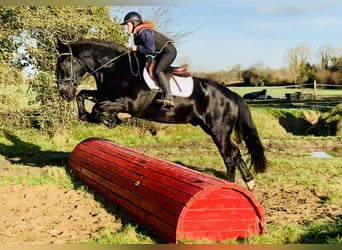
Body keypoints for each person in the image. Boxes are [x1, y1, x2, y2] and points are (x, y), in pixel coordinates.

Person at [121, 11, 176, 108]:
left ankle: (169, 97)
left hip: (169, 52)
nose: (126, 27)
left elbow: (150, 50)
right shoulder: (137, 35)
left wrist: (137, 48)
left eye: (127, 24)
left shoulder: (144, 32)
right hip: (160, 53)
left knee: (158, 70)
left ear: (135, 23)